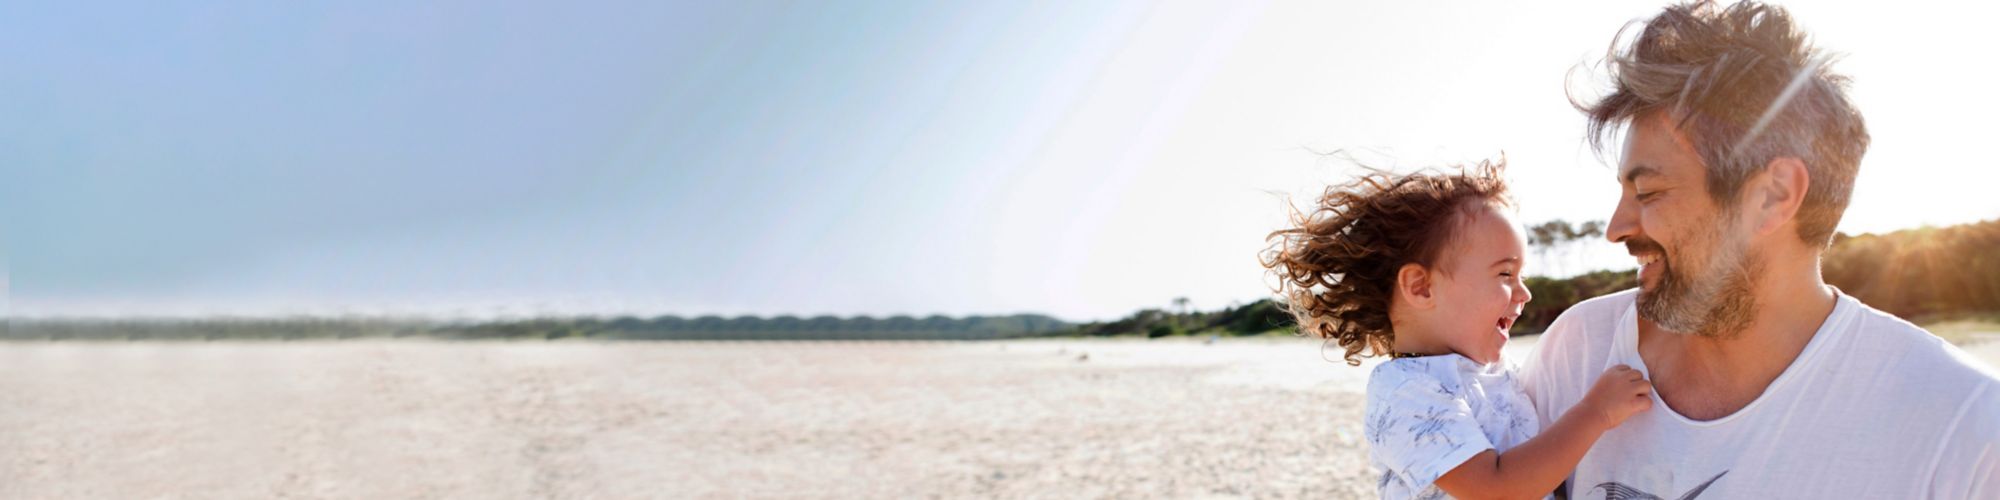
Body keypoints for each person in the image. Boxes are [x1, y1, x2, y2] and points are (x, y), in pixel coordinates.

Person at [1520, 1, 2000, 497]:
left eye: (1648, 193)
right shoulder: (1577, 355)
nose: (1617, 228)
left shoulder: (1964, 428)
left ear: (1773, 197)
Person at [1262, 162, 1653, 499]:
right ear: (1421, 287)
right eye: (1505, 274)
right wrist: (1596, 412)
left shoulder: (1498, 376)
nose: (1525, 292)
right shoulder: (1406, 391)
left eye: (1522, 275)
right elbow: (1497, 488)